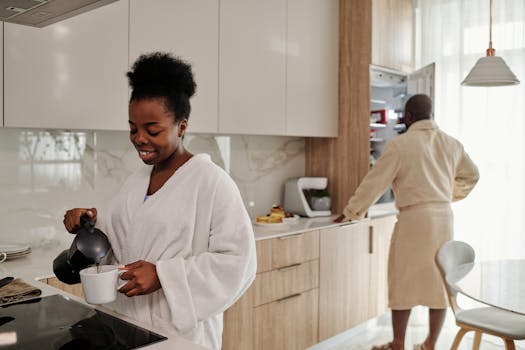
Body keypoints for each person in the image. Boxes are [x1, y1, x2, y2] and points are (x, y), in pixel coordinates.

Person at [62, 52, 257, 350]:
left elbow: (239, 262)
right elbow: (120, 234)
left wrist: (164, 275)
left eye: (152, 130)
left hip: (180, 335)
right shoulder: (136, 182)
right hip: (128, 326)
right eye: (132, 128)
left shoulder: (211, 182)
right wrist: (88, 220)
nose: (140, 138)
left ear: (181, 126)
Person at [334, 94, 479, 350]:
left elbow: (374, 183)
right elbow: (472, 175)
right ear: (431, 115)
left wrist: (352, 211)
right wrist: (447, 195)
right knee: (439, 282)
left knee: (403, 282)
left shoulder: (400, 145)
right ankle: (430, 344)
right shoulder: (452, 144)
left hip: (414, 221)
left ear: (408, 117)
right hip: (444, 218)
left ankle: (398, 344)